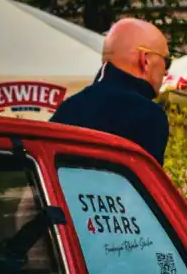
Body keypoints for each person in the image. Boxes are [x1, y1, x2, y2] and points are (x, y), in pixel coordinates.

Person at [52, 17, 170, 164]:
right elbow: (147, 177)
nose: (166, 71)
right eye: (167, 61)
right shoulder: (148, 115)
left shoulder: (68, 108)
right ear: (145, 60)